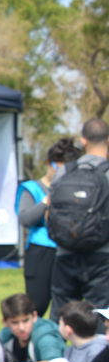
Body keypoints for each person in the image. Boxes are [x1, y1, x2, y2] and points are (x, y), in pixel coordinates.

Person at [17, 138, 81, 316]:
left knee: (66, 308)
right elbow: (25, 218)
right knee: (38, 304)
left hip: (67, 251)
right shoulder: (30, 188)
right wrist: (47, 200)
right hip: (41, 252)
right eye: (59, 167)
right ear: (49, 163)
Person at [52, 118, 109, 313]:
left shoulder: (64, 171)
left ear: (83, 141)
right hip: (102, 256)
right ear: (107, 140)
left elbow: (50, 208)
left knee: (62, 315)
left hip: (65, 252)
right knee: (100, 315)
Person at [0, 292, 66, 362]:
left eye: (25, 320)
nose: (21, 328)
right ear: (5, 322)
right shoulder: (6, 336)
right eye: (15, 323)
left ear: (34, 316)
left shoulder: (45, 335)